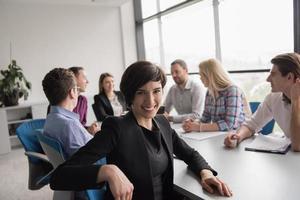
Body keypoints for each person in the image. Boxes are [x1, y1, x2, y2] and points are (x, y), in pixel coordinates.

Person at [49, 61, 232, 200]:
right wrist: (107, 171)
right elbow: (59, 177)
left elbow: (190, 154)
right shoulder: (117, 128)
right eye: (141, 92)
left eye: (156, 91)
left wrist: (206, 173)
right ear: (130, 96)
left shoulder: (162, 123)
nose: (151, 101)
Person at [224, 53, 300, 152]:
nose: (268, 79)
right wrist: (238, 136)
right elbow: (251, 125)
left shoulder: (295, 100)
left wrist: (296, 101)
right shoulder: (273, 98)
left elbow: (298, 145)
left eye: (273, 74)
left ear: (289, 77)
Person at [183, 58, 250, 133]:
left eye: (202, 75)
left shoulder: (233, 91)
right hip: (220, 135)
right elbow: (205, 118)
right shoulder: (209, 92)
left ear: (210, 76)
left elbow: (229, 125)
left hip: (238, 135)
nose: (200, 78)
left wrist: (198, 127)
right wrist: (193, 123)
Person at [42, 68, 93, 159]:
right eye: (77, 89)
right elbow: (88, 160)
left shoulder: (50, 118)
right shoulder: (70, 124)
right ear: (72, 92)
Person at [69, 66, 100, 135]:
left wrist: (90, 129)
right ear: (74, 79)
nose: (88, 81)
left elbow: (81, 125)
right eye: (84, 77)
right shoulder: (64, 102)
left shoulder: (83, 100)